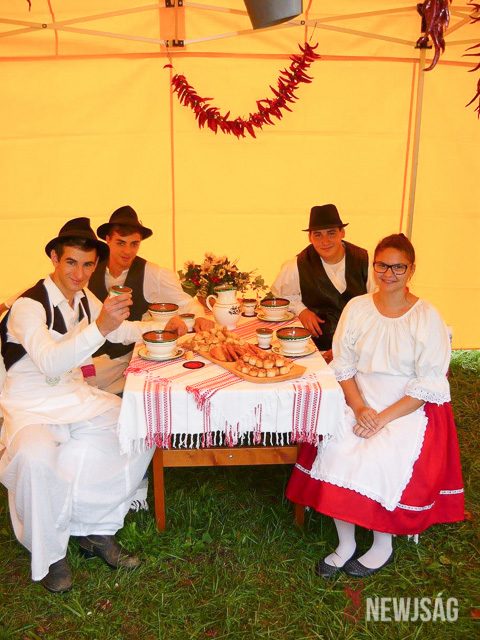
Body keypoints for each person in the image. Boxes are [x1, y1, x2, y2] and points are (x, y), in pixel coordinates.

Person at [286, 233, 464, 578]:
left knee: (382, 456)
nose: (389, 273)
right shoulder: (358, 307)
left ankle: (383, 544)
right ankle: (346, 543)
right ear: (374, 266)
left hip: (405, 405)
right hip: (359, 396)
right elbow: (343, 365)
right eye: (382, 265)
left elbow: (428, 383)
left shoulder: (426, 316)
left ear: (411, 270)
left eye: (398, 267)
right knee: (339, 448)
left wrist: (381, 419)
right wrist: (359, 408)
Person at [0, 217, 158, 592]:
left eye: (87, 264)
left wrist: (164, 327)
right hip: (30, 403)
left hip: (72, 396)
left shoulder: (84, 297)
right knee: (35, 459)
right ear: (55, 258)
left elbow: (121, 330)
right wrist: (100, 327)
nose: (79, 273)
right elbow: (50, 361)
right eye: (71, 262)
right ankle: (50, 555)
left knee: (136, 429)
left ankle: (94, 527)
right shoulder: (28, 306)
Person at [88, 205, 213, 394]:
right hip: (88, 352)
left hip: (124, 357)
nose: (127, 251)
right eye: (121, 243)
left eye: (134, 244)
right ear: (108, 239)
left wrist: (200, 317)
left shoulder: (153, 274)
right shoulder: (89, 269)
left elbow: (187, 304)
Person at [271, 204, 370, 363]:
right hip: (317, 350)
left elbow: (379, 302)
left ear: (342, 233)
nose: (325, 241)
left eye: (331, 233)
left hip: (359, 347)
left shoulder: (366, 261)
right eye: (318, 235)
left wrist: (345, 348)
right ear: (310, 238)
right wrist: (301, 310)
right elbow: (281, 295)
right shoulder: (297, 265)